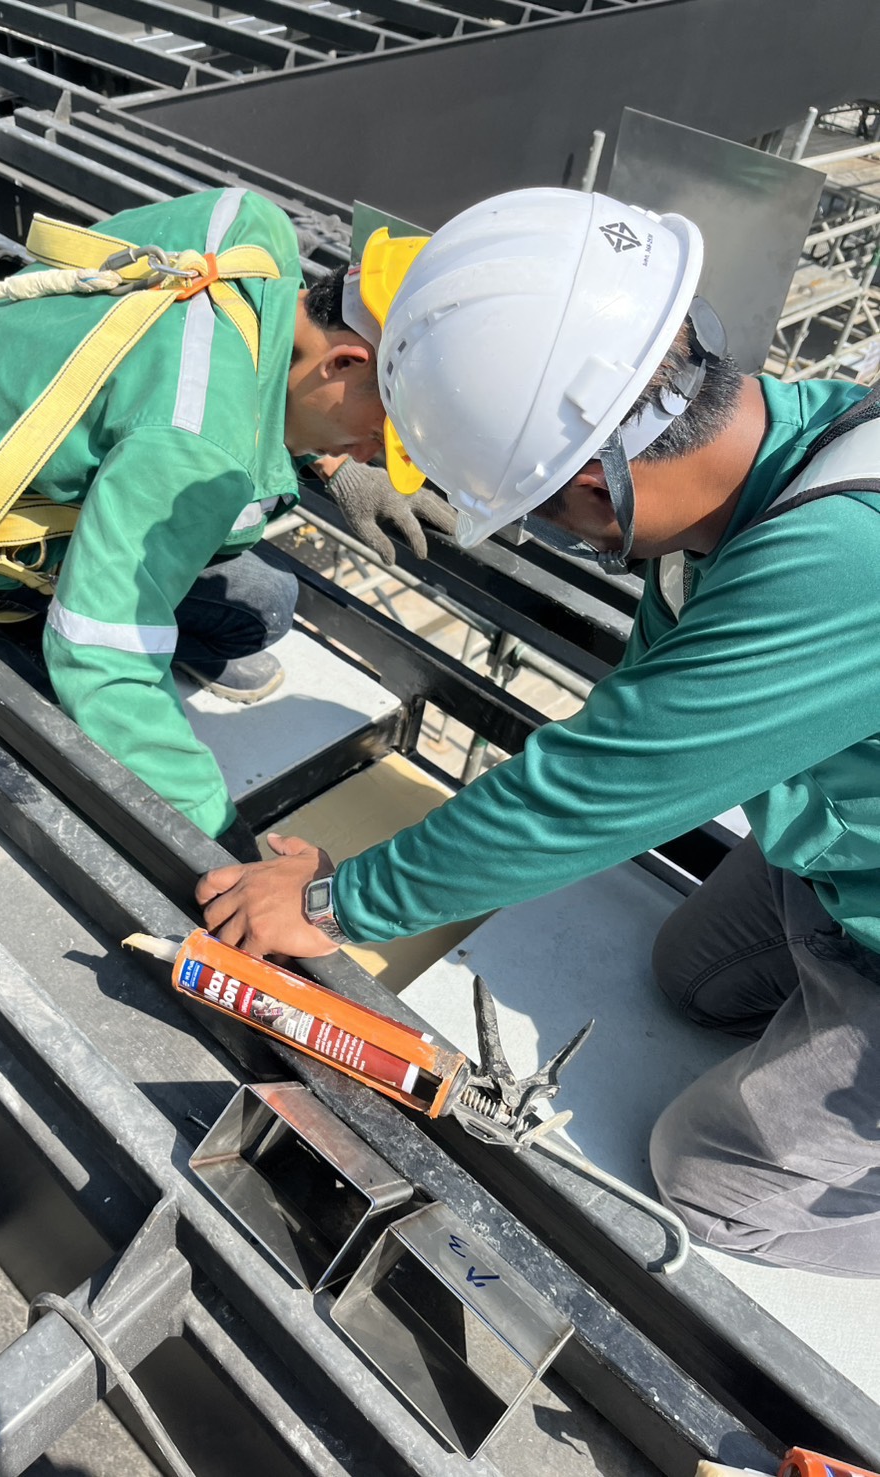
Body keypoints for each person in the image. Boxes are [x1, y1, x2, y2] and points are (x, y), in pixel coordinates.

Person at [197, 186, 880, 1276]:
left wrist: (334, 902)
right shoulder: (771, 457)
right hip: (842, 854)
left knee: (707, 1183)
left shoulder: (840, 560)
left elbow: (597, 787)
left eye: (540, 513)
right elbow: (642, 713)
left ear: (594, 489)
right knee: (691, 981)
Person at [0, 188, 454, 860]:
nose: (370, 456)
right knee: (73, 751)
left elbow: (219, 372)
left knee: (269, 605)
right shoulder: (196, 448)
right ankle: (2, 618)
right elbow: (103, 661)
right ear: (346, 363)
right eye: (381, 439)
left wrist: (334, 465)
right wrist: (217, 837)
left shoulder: (249, 230)